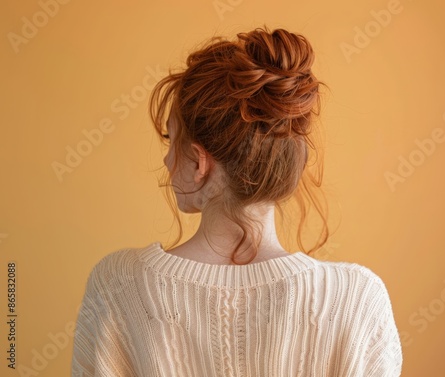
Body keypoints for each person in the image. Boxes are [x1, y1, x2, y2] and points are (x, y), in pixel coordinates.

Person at [71, 26, 403, 376]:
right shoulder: (358, 299)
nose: (167, 161)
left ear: (199, 162)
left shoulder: (119, 285)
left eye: (171, 141)